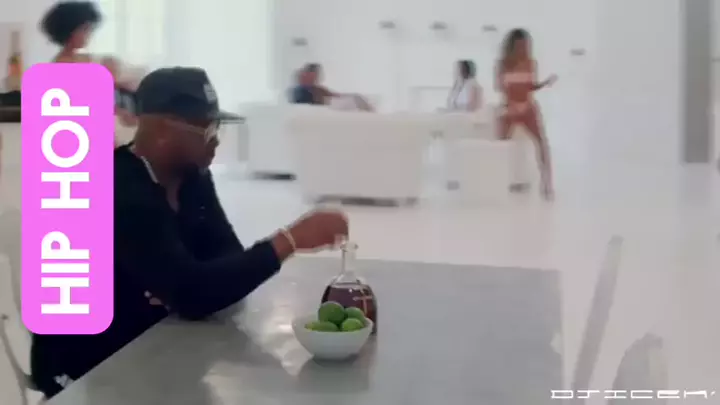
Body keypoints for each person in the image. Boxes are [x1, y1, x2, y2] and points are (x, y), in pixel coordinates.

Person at [30, 67, 350, 399]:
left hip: (148, 341)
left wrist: (186, 283)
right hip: (82, 366)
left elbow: (226, 257)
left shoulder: (192, 177)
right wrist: (289, 240)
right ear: (163, 130)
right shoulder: (115, 186)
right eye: (208, 129)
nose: (216, 140)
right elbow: (195, 293)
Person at [41, 0, 138, 132]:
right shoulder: (63, 64)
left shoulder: (82, 58)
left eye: (90, 29)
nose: (89, 34)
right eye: (84, 29)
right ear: (69, 31)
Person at [496, 28, 557, 199]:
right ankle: (498, 180)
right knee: (499, 144)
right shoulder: (503, 64)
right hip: (510, 108)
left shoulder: (531, 63)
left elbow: (530, 86)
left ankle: (547, 183)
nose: (523, 49)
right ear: (512, 46)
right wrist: (512, 106)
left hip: (528, 108)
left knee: (542, 143)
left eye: (525, 45)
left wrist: (544, 84)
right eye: (520, 46)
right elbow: (501, 87)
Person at [290, 63, 373, 111]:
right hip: (322, 108)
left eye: (317, 75)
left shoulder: (317, 88)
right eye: (314, 74)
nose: (316, 77)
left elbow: (332, 95)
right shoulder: (300, 90)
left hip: (326, 105)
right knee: (355, 100)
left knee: (356, 98)